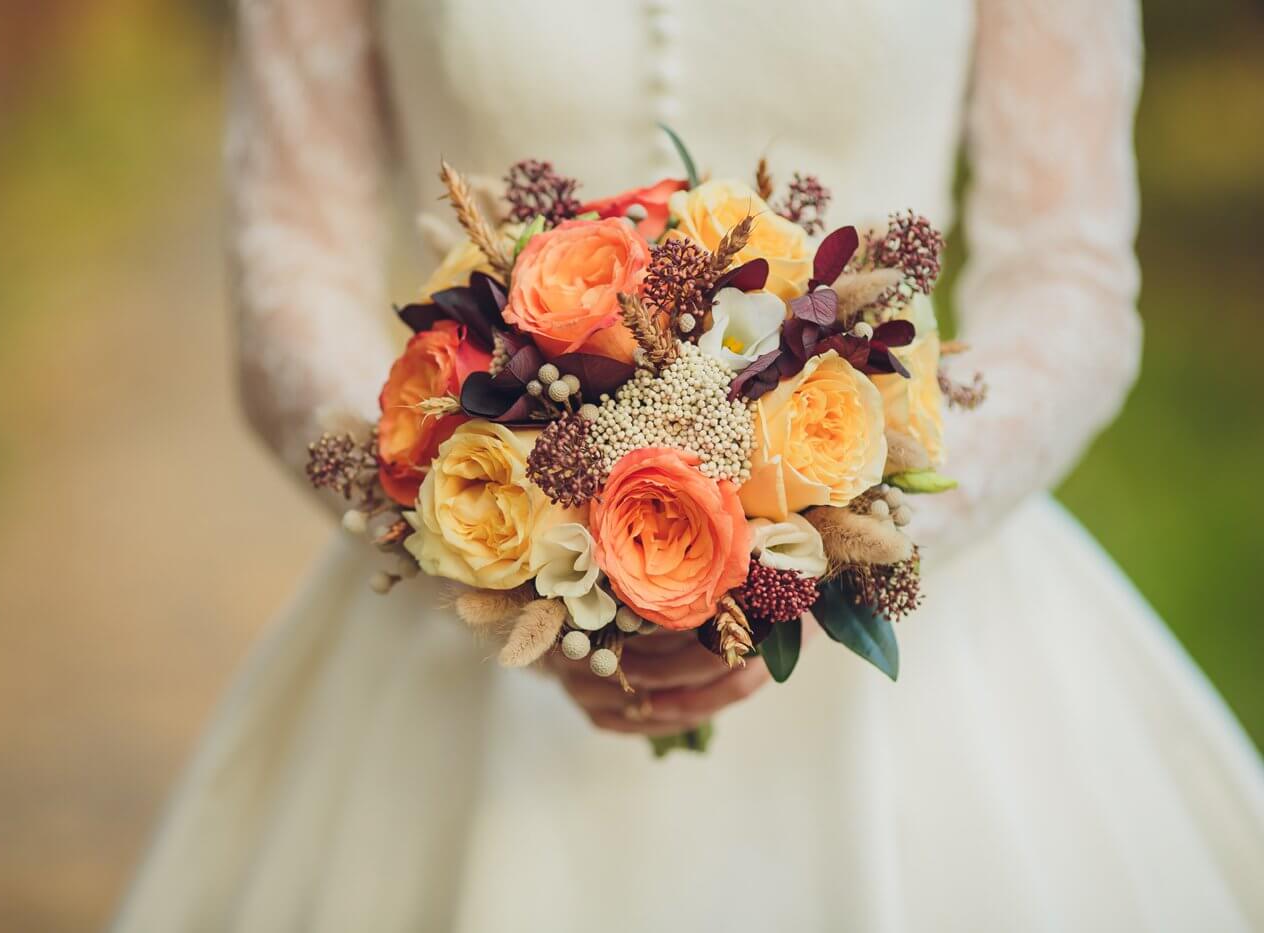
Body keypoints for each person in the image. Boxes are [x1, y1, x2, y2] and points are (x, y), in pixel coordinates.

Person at [114, 1, 1264, 929]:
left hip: (923, 670)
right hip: (462, 660)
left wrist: (814, 562)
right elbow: (285, 261)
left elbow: (1065, 278)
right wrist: (479, 532)